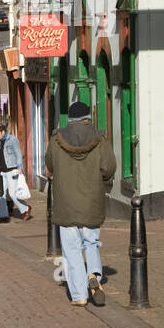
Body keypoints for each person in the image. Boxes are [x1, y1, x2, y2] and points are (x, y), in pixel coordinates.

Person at [45, 101, 116, 307]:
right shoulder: (99, 139)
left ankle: (79, 295)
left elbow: (50, 164)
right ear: (87, 118)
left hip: (66, 203)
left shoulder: (56, 139)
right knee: (91, 242)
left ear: (70, 119)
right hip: (91, 200)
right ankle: (93, 273)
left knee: (72, 250)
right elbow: (109, 167)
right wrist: (97, 180)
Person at [0, 120, 31, 221]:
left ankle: (26, 209)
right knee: (1, 194)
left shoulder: (13, 140)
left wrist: (19, 168)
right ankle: (3, 216)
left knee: (13, 194)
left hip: (12, 170)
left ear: (3, 132)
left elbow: (18, 154)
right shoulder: (0, 141)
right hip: (3, 171)